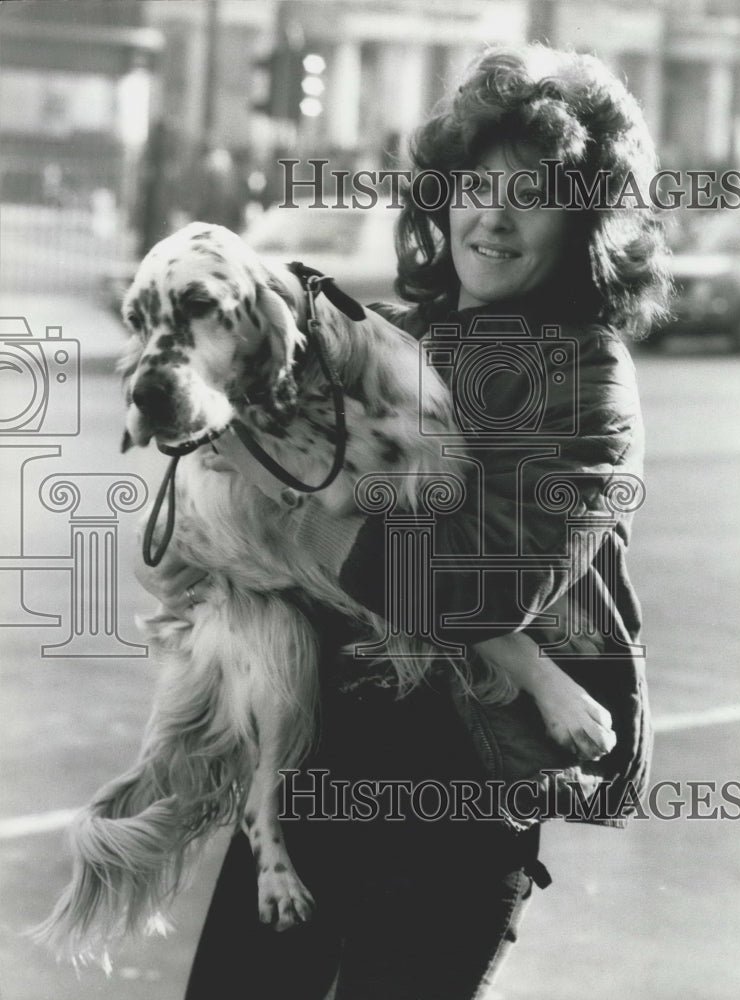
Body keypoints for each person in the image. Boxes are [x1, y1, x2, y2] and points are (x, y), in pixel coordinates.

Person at [135, 44, 669, 1000]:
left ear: (585, 221)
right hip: (312, 780)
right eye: (475, 185)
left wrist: (299, 520)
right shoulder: (392, 334)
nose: (493, 217)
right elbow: (213, 498)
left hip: (457, 805)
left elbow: (472, 592)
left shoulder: (589, 379)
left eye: (533, 195)